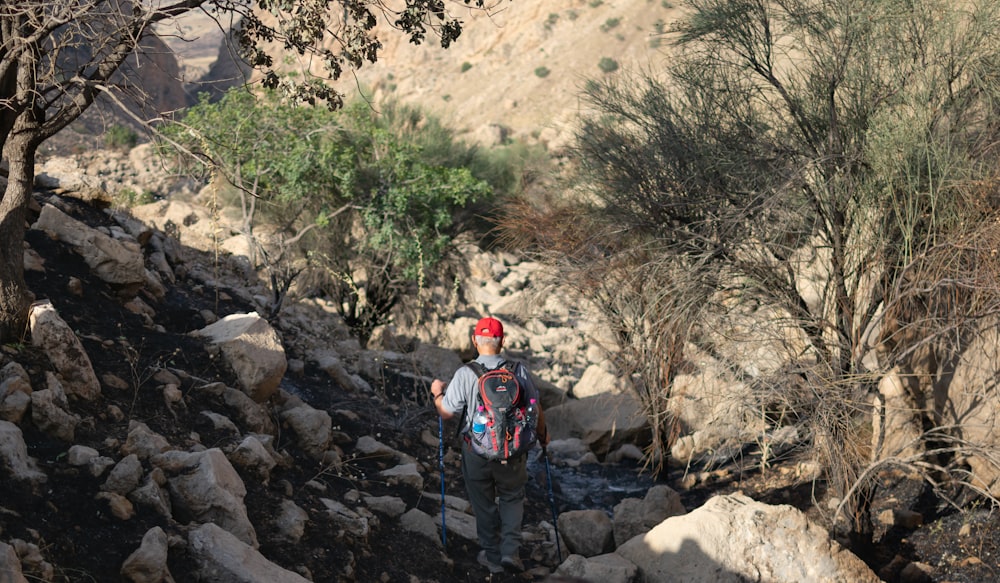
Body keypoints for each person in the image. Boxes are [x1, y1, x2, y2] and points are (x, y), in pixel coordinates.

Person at [430, 316, 549, 574]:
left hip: (476, 452)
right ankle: (510, 552)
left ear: (474, 340)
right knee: (512, 497)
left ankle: (492, 557)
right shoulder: (518, 371)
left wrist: (438, 393)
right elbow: (535, 407)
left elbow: (447, 413)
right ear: (502, 341)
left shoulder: (465, 373)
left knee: (483, 502)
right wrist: (543, 436)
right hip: (512, 451)